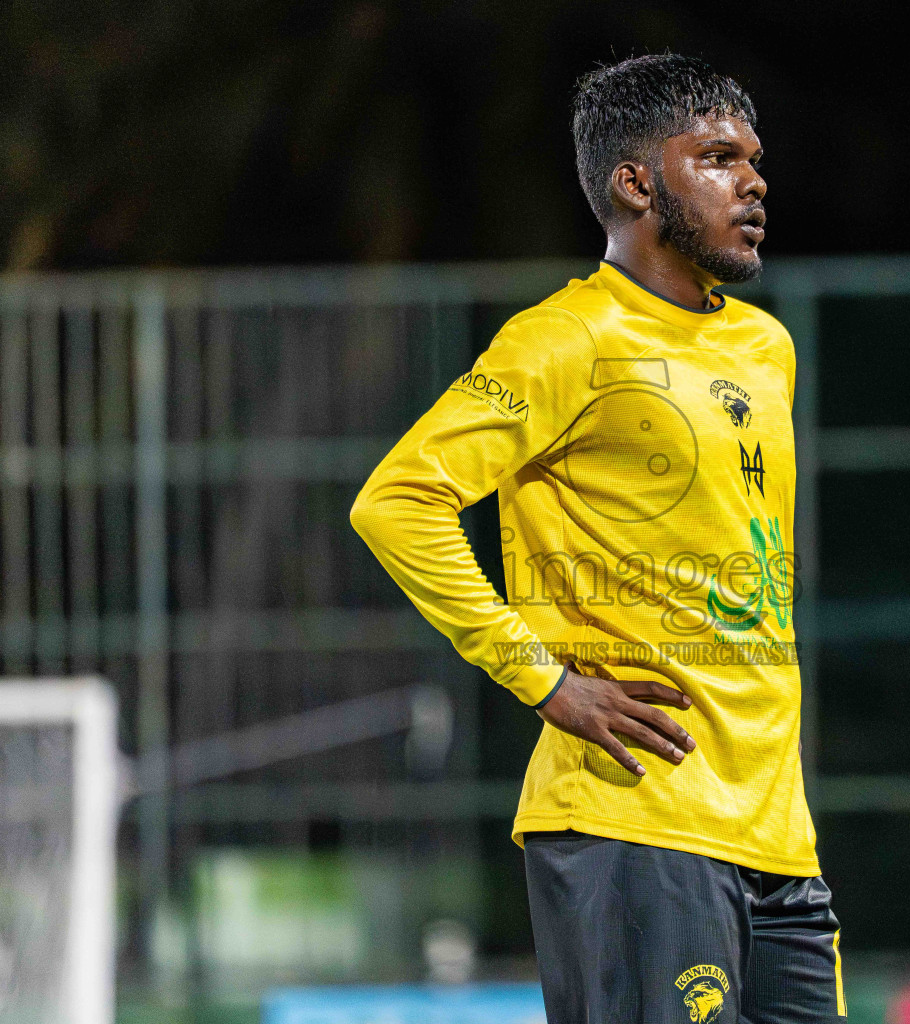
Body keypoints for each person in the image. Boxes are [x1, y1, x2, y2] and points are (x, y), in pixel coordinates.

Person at [352, 53, 844, 1023]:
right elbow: (396, 501)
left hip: (777, 831)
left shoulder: (764, 347)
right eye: (716, 158)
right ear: (635, 182)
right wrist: (542, 678)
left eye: (753, 159)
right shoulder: (563, 339)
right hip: (632, 815)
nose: (753, 182)